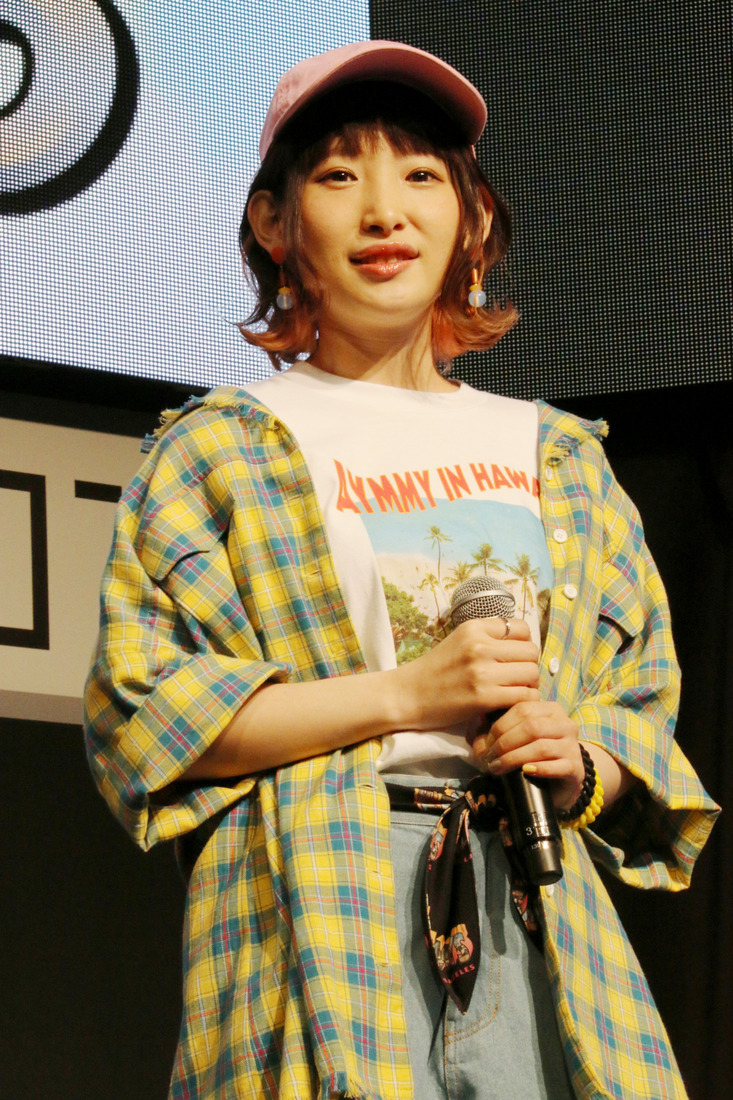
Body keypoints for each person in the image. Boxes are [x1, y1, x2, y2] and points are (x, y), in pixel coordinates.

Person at [84, 41, 718, 1100]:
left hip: (535, 900)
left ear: (471, 219)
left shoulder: (557, 454)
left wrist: (577, 758)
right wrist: (407, 695)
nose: (385, 211)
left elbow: (638, 707)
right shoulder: (219, 448)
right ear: (273, 222)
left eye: (422, 174)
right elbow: (146, 709)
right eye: (339, 175)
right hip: (320, 895)